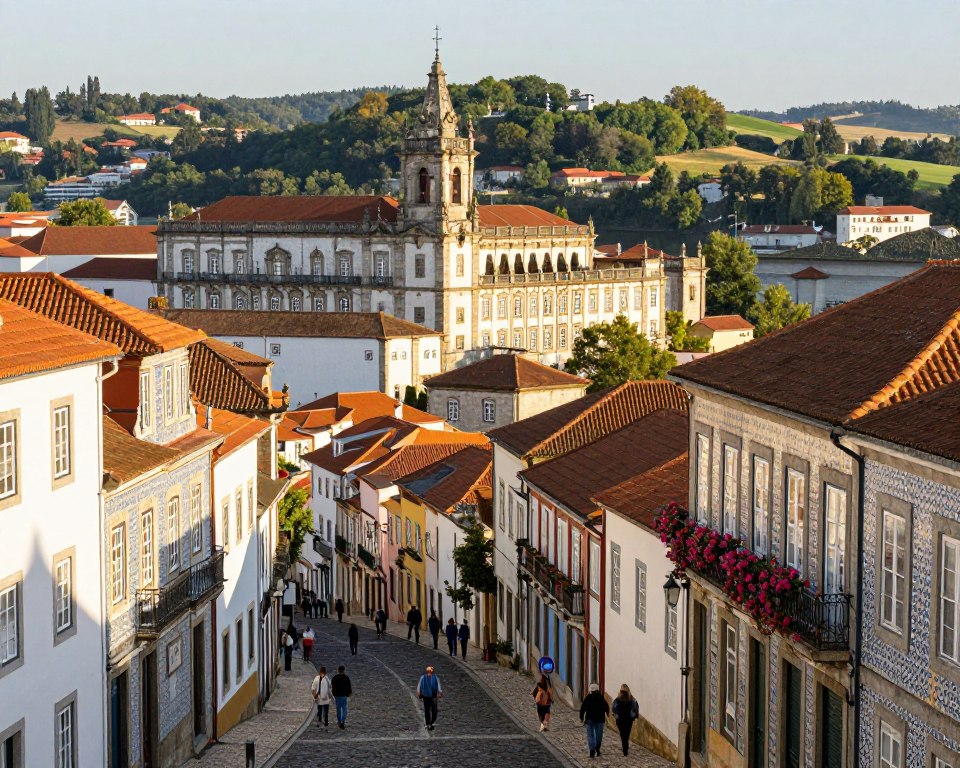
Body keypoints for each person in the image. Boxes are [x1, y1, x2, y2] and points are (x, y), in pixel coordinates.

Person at [579, 683, 610, 759]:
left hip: (590, 719)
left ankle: (592, 750)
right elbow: (606, 707)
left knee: (590, 736)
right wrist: (607, 714)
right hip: (600, 720)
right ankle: (597, 748)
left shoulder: (588, 698)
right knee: (599, 736)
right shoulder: (601, 698)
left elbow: (583, 708)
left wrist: (581, 717)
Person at [612, 683, 639, 756]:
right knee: (626, 734)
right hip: (628, 720)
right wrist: (634, 716)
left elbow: (614, 709)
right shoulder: (632, 699)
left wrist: (616, 716)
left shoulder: (617, 699)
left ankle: (625, 748)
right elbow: (635, 708)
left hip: (620, 720)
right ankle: (625, 749)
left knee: (622, 734)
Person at [416, 665, 443, 730]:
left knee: (434, 710)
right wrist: (418, 691)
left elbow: (438, 685)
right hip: (426, 695)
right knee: (427, 710)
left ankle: (432, 722)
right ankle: (428, 723)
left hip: (433, 695)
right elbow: (419, 685)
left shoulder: (435, 678)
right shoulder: (423, 677)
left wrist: (440, 692)